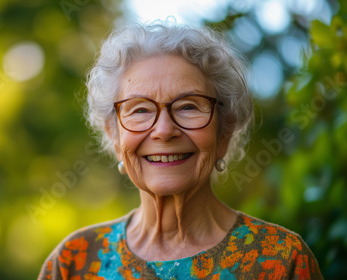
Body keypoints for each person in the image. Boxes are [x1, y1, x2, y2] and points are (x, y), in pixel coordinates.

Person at [38, 22, 323, 279]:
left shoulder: (282, 260)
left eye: (188, 106)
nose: (163, 130)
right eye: (140, 109)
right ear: (114, 135)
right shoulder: (74, 262)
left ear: (224, 131)